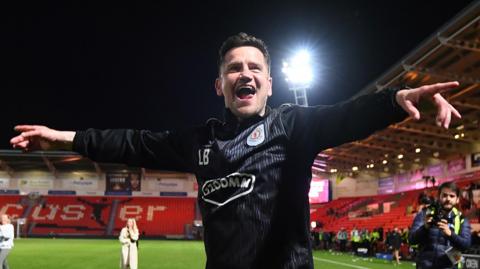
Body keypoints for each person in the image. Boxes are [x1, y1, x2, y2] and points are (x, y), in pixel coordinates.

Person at [10, 32, 462, 269]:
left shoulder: (293, 125)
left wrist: (397, 99)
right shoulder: (198, 142)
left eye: (254, 67)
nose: (243, 74)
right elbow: (133, 143)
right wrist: (66, 137)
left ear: (269, 82)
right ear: (219, 85)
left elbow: (346, 113)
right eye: (233, 68)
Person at [409, 182, 471, 269]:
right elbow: (411, 240)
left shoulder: (461, 219)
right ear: (439, 197)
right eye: (444, 195)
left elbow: (466, 245)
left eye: (452, 196)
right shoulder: (424, 214)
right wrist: (425, 227)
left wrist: (450, 234)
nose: (448, 199)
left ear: (457, 199)